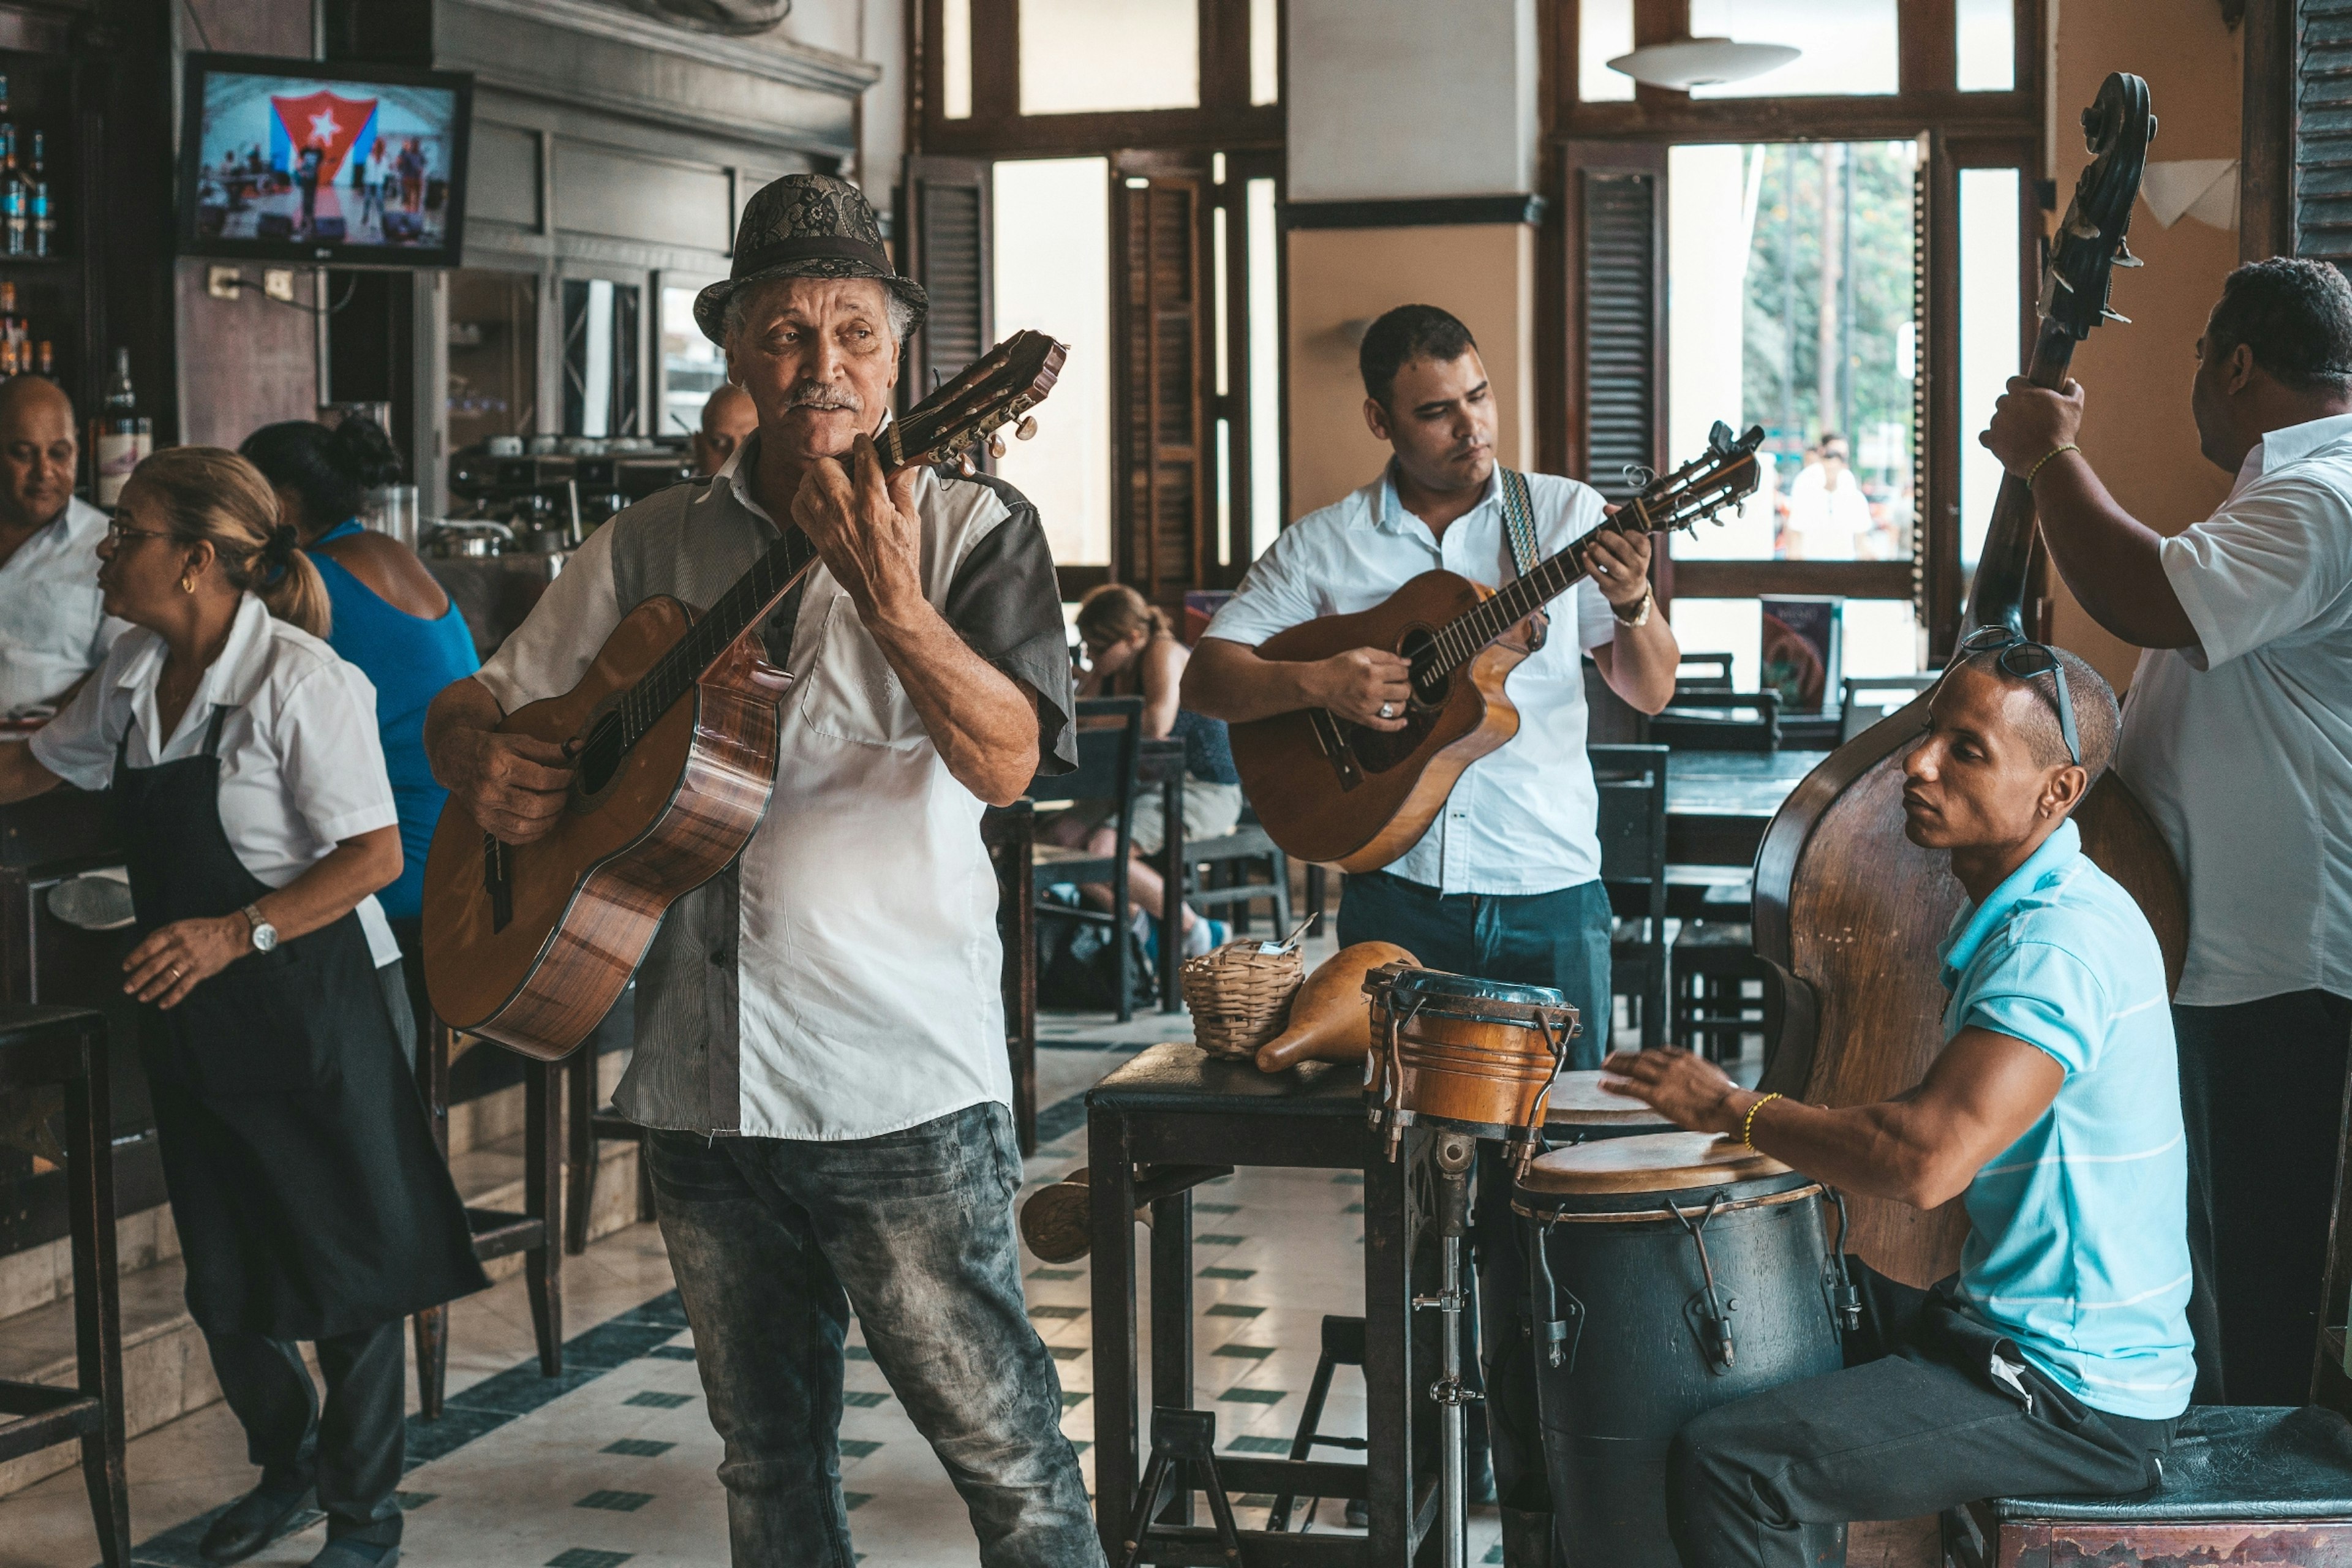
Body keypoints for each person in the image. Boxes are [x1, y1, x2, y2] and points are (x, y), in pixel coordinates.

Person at [423, 173, 1098, 1567]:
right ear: (734, 351)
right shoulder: (647, 545)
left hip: (898, 1078)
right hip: (698, 1075)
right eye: (785, 333)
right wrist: (479, 758)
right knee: (766, 1459)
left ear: (903, 353)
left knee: (1007, 1457)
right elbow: (480, 696)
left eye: (853, 329)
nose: (822, 365)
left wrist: (891, 595)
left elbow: (1010, 762)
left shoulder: (978, 532)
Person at [1181, 301, 1679, 1567]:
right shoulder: (1329, 545)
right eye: (1438, 409)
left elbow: (1649, 682)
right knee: (1410, 1209)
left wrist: (1633, 602)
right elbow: (1212, 676)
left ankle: (1552, 1505)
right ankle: (1418, 1487)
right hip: (1398, 909)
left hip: (1553, 902)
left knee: (1554, 1208)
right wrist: (1320, 681)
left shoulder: (1562, 520)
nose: (1471, 427)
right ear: (1381, 421)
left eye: (1480, 396)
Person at [0, 448, 486, 1568]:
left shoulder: (302, 683)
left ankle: (366, 1521)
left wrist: (235, 931)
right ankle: (287, 1468)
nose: (104, 549)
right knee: (226, 1271)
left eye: (126, 531)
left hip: (320, 1002)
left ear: (199, 559)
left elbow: (370, 855)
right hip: (199, 1012)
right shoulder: (132, 666)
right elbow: (41, 767)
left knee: (351, 1270)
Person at [1604, 639, 2189, 1568]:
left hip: (2074, 1396)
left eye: (1967, 750)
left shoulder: (2058, 946)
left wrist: (1733, 1111)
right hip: (2008, 1331)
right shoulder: (2047, 902)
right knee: (1791, 1284)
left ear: (2058, 791)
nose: (1917, 763)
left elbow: (1924, 1159)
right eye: (1930, 733)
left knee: (1732, 1466)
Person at [1982, 255, 2352, 1407]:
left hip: (2273, 968)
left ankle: (2254, 1514)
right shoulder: (2294, 488)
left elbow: (2150, 595)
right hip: (2228, 954)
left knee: (2250, 1277)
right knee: (2212, 1265)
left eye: (2200, 356)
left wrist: (2050, 458)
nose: (2197, 379)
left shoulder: (2322, 494)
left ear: (2238, 363)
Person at [238, 415, 479, 929]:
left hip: (404, 866)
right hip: (472, 856)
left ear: (279, 504)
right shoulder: (391, 554)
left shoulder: (305, 581)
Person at [1043, 581, 1239, 957]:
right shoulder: (1118, 668)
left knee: (1103, 849)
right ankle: (1138, 925)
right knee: (1059, 839)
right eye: (1087, 647)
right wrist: (1097, 676)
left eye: (1099, 648)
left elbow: (1156, 723)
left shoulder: (1161, 651)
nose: (1091, 655)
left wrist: (1095, 707)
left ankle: (1198, 930)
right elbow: (1077, 722)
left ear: (1133, 637)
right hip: (1147, 788)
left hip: (1203, 789)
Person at [0, 375, 124, 717]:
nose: (44, 471)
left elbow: (129, 664)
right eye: (23, 454)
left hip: (50, 753)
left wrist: (63, 721)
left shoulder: (110, 549)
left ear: (78, 452)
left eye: (58, 453)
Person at [1782, 432, 1872, 559]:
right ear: (1822, 451)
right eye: (1834, 452)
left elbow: (1861, 536)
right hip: (1812, 563)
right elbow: (1795, 529)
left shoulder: (1849, 484)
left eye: (1842, 455)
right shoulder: (1805, 482)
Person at [692, 381, 758, 477]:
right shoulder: (677, 492)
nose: (735, 457)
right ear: (698, 445)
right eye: (720, 442)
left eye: (750, 443)